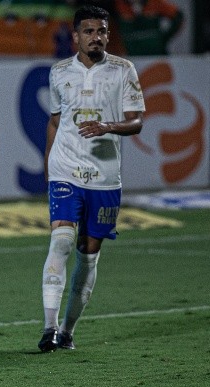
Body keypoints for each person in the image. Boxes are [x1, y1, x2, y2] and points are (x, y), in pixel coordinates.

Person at [38, 5, 145, 352]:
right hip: (65, 169)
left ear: (108, 35)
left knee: (88, 254)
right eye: (88, 31)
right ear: (76, 36)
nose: (95, 37)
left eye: (101, 31)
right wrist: (48, 165)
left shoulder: (123, 70)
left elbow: (136, 121)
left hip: (104, 176)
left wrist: (107, 126)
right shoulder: (58, 72)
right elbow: (56, 121)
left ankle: (67, 330)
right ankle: (49, 329)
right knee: (61, 242)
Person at [113, 0, 184, 55]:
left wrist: (164, 38)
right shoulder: (116, 4)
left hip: (156, 54)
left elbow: (178, 17)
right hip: (130, 55)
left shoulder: (154, 2)